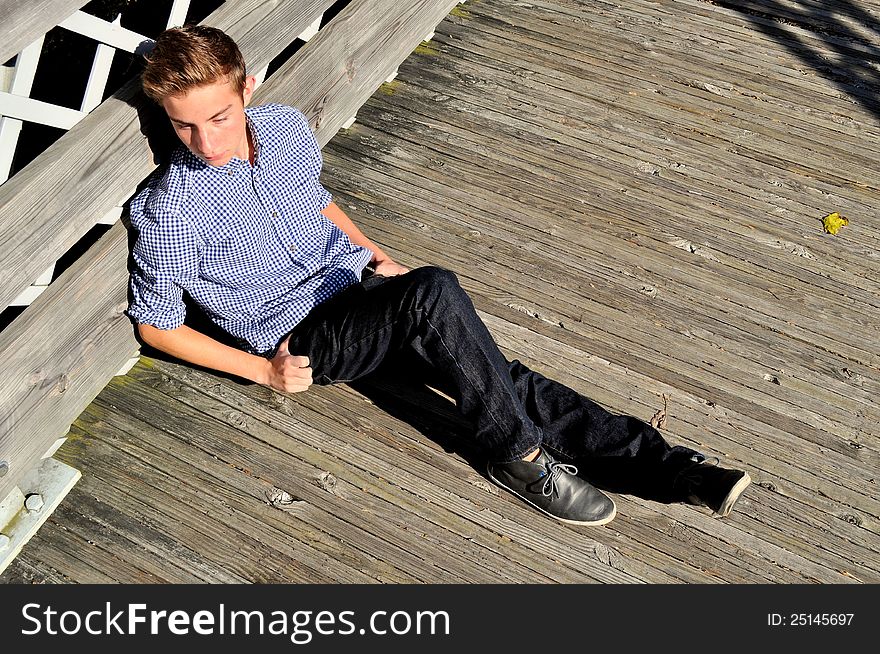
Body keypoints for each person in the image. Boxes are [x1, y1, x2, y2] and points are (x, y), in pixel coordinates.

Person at [127, 25, 751, 527]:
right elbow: (157, 327)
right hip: (301, 335)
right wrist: (263, 371)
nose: (205, 140)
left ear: (248, 90)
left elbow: (316, 201)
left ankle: (673, 471)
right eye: (184, 124)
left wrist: (373, 252)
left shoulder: (286, 129)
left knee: (498, 377)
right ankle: (521, 458)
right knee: (436, 293)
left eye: (219, 117)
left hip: (360, 290)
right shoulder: (170, 209)